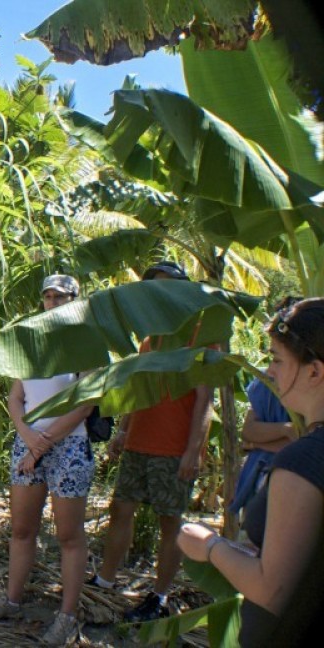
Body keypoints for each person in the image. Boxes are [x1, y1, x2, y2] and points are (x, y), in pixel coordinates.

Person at [179, 298, 324, 646]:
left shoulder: (303, 461)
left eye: (277, 359)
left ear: (314, 371)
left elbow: (272, 590)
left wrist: (210, 546)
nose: (270, 372)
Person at [86, 260, 214, 622]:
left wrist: (193, 449)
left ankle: (158, 596)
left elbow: (206, 399)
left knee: (170, 521)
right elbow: (139, 392)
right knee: (120, 509)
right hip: (140, 441)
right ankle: (106, 580)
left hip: (174, 448)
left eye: (168, 284)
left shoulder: (199, 333)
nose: (161, 292)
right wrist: (124, 430)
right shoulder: (150, 340)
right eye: (153, 286)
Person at [0, 274, 94, 646]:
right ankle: (11, 599)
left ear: (75, 300)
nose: (53, 304)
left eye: (61, 298)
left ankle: (67, 616)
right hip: (27, 445)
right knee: (22, 530)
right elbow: (16, 397)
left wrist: (40, 444)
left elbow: (85, 403)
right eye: (47, 297)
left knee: (68, 535)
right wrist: (27, 436)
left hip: (69, 447)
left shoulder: (85, 346)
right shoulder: (31, 342)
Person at [229, 298, 301, 515]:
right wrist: (286, 431)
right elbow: (249, 432)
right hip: (259, 480)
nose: (271, 369)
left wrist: (261, 443)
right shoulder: (265, 385)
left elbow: (304, 443)